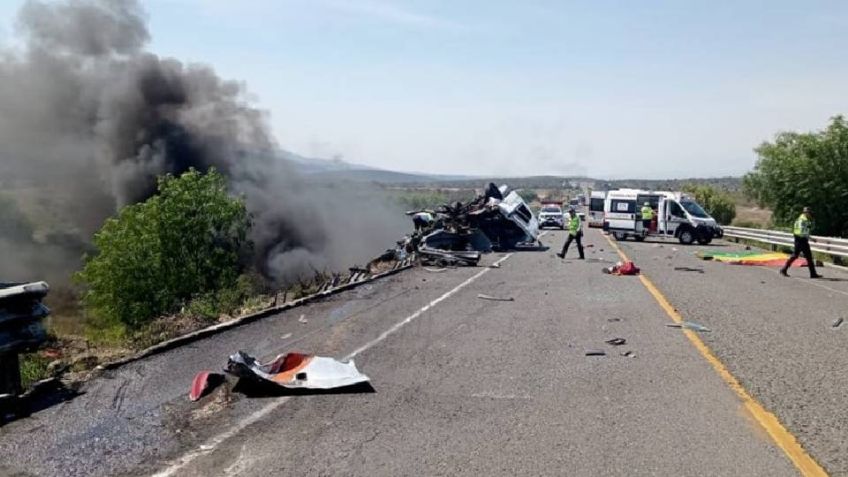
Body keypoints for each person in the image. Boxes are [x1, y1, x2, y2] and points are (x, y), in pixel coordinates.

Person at [780, 206, 822, 278]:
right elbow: (803, 232)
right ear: (806, 213)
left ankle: (812, 273)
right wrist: (811, 239)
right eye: (809, 213)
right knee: (802, 256)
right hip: (801, 239)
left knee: (801, 256)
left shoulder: (800, 218)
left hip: (799, 238)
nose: (810, 214)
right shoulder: (804, 220)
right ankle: (784, 269)